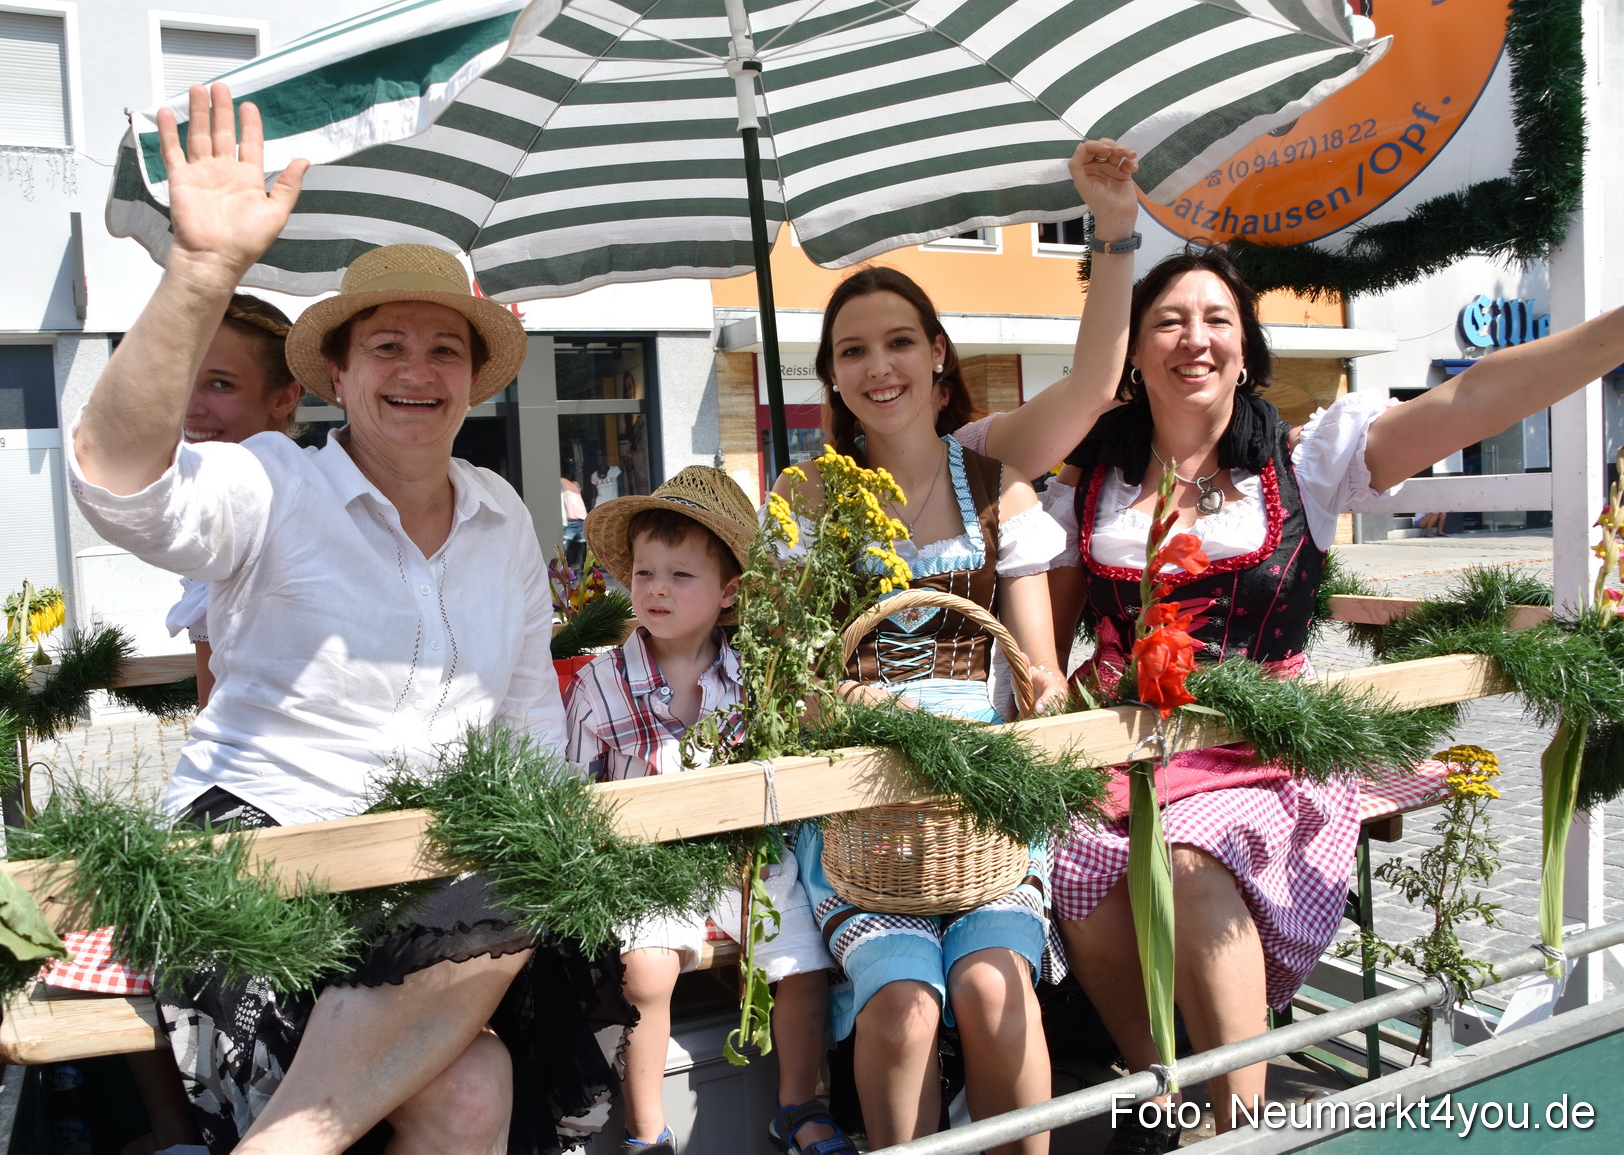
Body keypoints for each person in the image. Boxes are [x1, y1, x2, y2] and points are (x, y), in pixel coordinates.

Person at [967, 243, 1624, 1153]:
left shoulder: (1305, 462)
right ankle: (1161, 1083)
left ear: (1246, 350)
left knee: (1193, 859)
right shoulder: (1096, 480)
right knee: (1074, 866)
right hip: (1123, 739)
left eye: (1216, 321)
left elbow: (1467, 401)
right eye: (1168, 320)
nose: (1192, 339)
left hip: (1262, 743)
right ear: (1133, 352)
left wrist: (1615, 335)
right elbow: (1043, 611)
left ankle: (1242, 1121)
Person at [69, 84, 614, 1155]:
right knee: (469, 1078)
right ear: (336, 373)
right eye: (388, 349)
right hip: (259, 854)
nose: (418, 373)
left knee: (479, 1056)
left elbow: (521, 723)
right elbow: (118, 483)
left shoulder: (502, 513)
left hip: (434, 875)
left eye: (445, 352)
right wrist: (201, 270)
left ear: (472, 382)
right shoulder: (270, 484)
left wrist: (535, 840)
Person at [778, 139, 1143, 1155]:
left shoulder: (996, 481)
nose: (877, 365)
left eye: (898, 341)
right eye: (852, 350)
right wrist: (832, 708)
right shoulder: (806, 503)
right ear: (832, 378)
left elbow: (1093, 380)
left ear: (937, 355)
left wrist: (1109, 227)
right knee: (902, 1009)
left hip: (984, 814)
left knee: (992, 990)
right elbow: (787, 687)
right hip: (861, 820)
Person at [565, 466, 848, 1155]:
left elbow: (791, 757)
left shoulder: (754, 674)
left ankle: (798, 1106)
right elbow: (569, 786)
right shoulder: (603, 682)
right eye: (645, 572)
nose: (656, 588)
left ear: (729, 592)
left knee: (803, 962)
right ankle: (647, 1130)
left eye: (680, 575)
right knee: (645, 972)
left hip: (741, 849)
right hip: (646, 859)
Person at [163, 294, 303, 708]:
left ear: (283, 398)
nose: (191, 407)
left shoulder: (265, 505)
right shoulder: (220, 497)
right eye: (184, 381)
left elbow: (216, 699)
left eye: (220, 384)